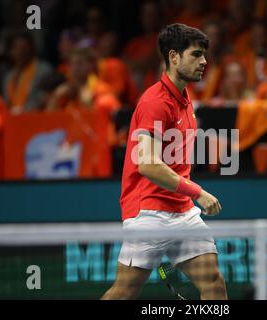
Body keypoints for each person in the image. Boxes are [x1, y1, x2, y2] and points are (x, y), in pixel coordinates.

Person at [102, 23, 227, 300]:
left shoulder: (184, 98)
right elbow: (147, 164)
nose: (204, 61)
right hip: (149, 212)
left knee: (214, 284)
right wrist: (198, 192)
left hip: (182, 211)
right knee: (124, 292)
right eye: (196, 54)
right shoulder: (154, 102)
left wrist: (188, 197)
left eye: (204, 54)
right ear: (173, 57)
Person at [2, 32, 53, 113]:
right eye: (17, 48)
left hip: (34, 119)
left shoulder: (44, 70)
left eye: (24, 48)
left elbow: (44, 98)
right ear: (10, 51)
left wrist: (24, 110)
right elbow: (6, 103)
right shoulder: (8, 77)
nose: (21, 52)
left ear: (31, 49)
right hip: (11, 120)